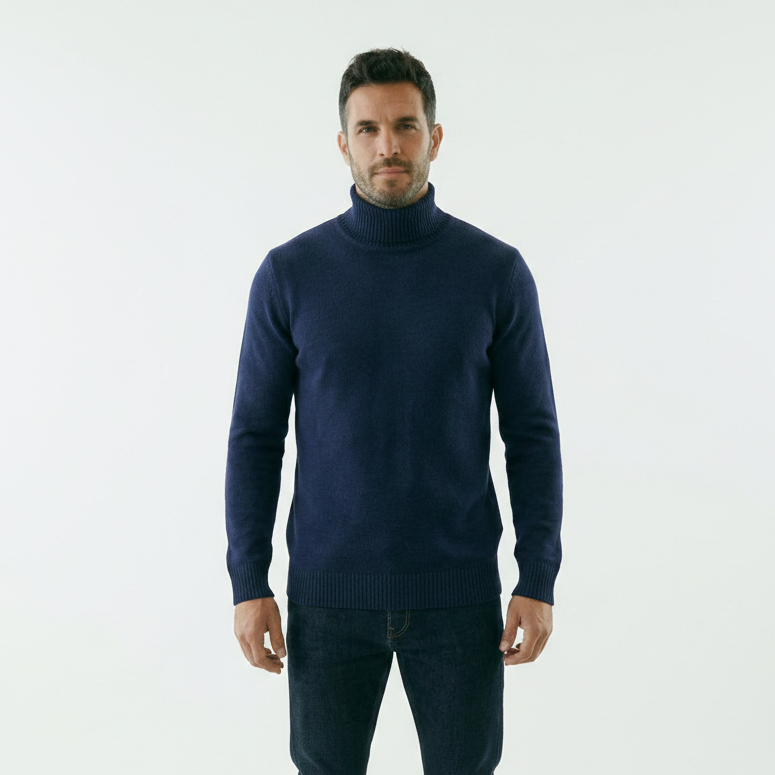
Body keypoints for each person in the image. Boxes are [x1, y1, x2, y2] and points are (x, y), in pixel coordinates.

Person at [225, 47, 563, 775]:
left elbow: (531, 434)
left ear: (434, 137)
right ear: (342, 143)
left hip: (458, 597)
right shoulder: (290, 274)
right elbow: (255, 436)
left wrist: (537, 576)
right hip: (327, 598)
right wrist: (248, 582)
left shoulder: (494, 272)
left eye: (406, 126)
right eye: (369, 129)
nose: (388, 146)